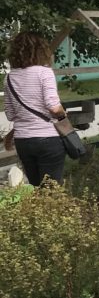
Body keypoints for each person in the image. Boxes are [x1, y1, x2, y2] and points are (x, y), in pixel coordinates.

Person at [2, 31, 67, 186]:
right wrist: (63, 114)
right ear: (41, 50)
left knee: (36, 187)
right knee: (52, 191)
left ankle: (38, 211)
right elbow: (53, 107)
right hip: (48, 139)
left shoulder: (9, 78)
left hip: (24, 141)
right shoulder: (45, 73)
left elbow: (10, 115)